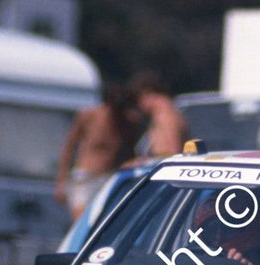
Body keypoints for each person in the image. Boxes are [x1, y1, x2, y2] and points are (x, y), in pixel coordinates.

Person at [54, 84, 139, 220]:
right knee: (81, 223)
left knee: (103, 222)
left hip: (109, 178)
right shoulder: (89, 116)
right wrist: (61, 180)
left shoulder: (128, 122)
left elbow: (131, 152)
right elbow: (69, 147)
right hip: (86, 177)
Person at [131, 70, 191, 157]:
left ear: (147, 92)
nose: (139, 105)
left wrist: (143, 162)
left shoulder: (166, 116)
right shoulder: (165, 114)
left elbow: (173, 153)